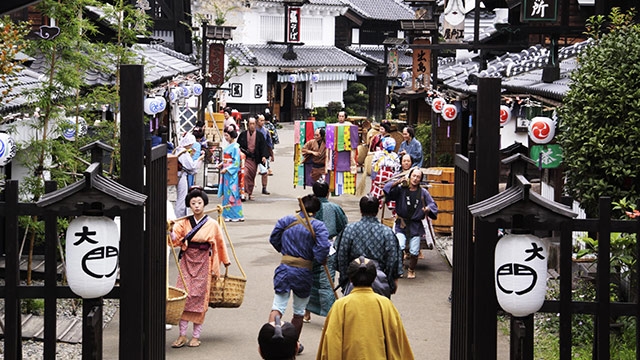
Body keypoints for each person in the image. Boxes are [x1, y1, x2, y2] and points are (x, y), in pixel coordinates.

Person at [315, 256, 414, 360]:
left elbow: (332, 344)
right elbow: (398, 342)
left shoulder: (340, 306)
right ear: (374, 278)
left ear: (351, 279)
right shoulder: (386, 305)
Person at [268, 194, 331, 355]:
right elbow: (323, 246)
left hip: (284, 268)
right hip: (304, 271)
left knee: (278, 305)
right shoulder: (318, 226)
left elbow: (274, 238)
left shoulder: (286, 221)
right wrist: (318, 258)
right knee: (299, 310)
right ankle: (292, 344)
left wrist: (285, 250)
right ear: (317, 210)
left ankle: (269, 341)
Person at [169, 188, 231, 348]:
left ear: (204, 204)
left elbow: (219, 243)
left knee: (200, 297)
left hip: (204, 261)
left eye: (199, 203)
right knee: (184, 295)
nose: (196, 206)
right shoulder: (183, 222)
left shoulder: (212, 224)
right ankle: (182, 335)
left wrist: (225, 262)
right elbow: (174, 239)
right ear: (189, 205)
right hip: (187, 260)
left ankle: (196, 336)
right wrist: (170, 230)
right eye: (193, 203)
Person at [334, 194, 403, 297]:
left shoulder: (349, 229)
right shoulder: (387, 232)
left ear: (361, 210)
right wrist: (390, 282)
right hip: (379, 281)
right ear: (377, 211)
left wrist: (345, 279)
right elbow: (392, 259)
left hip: (354, 280)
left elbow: (341, 256)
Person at [303, 180, 348, 323]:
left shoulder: (307, 207)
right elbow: (343, 226)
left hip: (310, 249)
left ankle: (306, 313)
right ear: (328, 193)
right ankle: (329, 317)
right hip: (328, 248)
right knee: (326, 284)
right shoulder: (335, 208)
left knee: (309, 281)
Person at [383, 167, 438, 279]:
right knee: (400, 246)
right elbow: (387, 189)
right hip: (401, 224)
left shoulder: (423, 192)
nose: (415, 179)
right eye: (413, 176)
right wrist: (397, 181)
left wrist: (427, 208)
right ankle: (399, 268)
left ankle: (411, 269)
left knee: (414, 251)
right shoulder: (401, 189)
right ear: (409, 176)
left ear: (420, 179)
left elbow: (433, 205)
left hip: (415, 226)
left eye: (418, 177)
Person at [237, 116, 269, 200]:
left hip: (254, 159)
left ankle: (250, 193)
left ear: (255, 124)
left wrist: (264, 156)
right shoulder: (243, 134)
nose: (252, 125)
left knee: (252, 176)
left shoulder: (259, 135)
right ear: (248, 124)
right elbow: (238, 146)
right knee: (245, 174)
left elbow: (263, 146)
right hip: (245, 159)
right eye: (250, 124)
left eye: (253, 124)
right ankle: (243, 193)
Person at [217, 125, 244, 222]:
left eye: (227, 136)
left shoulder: (236, 147)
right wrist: (221, 164)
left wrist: (227, 169)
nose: (225, 137)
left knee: (233, 193)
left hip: (231, 173)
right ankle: (227, 214)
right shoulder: (230, 146)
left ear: (232, 136)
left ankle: (235, 215)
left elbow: (236, 162)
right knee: (227, 194)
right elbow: (227, 159)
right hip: (226, 172)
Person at [174, 134, 204, 217]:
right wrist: (199, 159)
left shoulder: (179, 149)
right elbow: (192, 166)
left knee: (181, 196)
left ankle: (180, 215)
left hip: (178, 175)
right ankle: (179, 216)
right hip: (181, 176)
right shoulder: (183, 152)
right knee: (182, 197)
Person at [370, 137, 400, 204]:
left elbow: (397, 167)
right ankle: (375, 206)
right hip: (379, 174)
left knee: (389, 191)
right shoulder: (378, 154)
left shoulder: (394, 155)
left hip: (390, 176)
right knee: (377, 192)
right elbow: (374, 165)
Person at [257, 114, 274, 195]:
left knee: (264, 172)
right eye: (261, 120)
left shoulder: (266, 131)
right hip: (254, 153)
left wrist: (272, 154)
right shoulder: (253, 130)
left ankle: (264, 188)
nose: (262, 122)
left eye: (263, 120)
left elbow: (269, 144)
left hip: (263, 153)